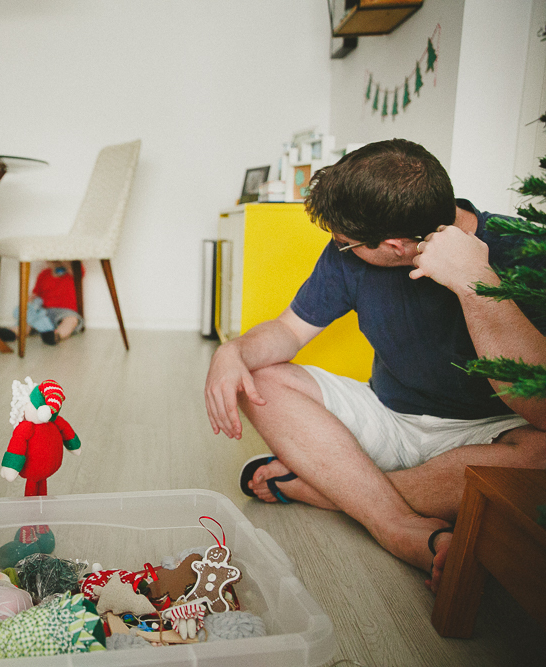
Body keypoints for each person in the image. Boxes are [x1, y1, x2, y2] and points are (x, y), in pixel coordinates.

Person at [204, 139, 546, 592]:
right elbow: (288, 331)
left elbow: (540, 407)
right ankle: (396, 524)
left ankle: (331, 488)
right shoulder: (353, 247)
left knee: (542, 456)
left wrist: (475, 283)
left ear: (395, 246)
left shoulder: (525, 249)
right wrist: (231, 353)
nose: (338, 248)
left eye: (345, 244)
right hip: (388, 415)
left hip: (487, 434)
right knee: (259, 378)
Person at [0, 261, 84, 345]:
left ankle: (56, 336)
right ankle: (11, 333)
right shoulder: (44, 274)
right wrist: (28, 303)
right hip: (44, 313)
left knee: (71, 320)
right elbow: (35, 295)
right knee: (29, 322)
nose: (55, 261)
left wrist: (66, 263)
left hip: (65, 312)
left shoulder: (72, 273)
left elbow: (77, 270)